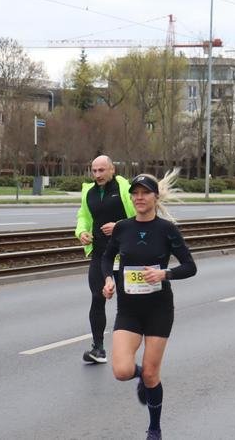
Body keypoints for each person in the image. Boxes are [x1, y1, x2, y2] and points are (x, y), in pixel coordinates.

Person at [101, 170, 197, 440]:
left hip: (159, 309)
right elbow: (107, 259)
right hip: (129, 309)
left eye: (145, 193)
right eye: (136, 193)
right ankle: (142, 376)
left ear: (155, 197)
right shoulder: (122, 228)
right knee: (121, 371)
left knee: (154, 373)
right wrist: (108, 280)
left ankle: (154, 428)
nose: (140, 198)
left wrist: (165, 274)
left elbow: (190, 267)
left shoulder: (167, 230)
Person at [75, 155, 136, 364]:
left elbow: (140, 216)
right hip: (101, 254)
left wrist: (118, 225)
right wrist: (81, 232)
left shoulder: (125, 189)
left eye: (102, 170)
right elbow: (83, 216)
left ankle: (128, 347)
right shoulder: (89, 192)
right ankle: (98, 348)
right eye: (94, 171)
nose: (97, 175)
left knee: (127, 302)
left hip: (126, 254)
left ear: (112, 170)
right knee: (97, 297)